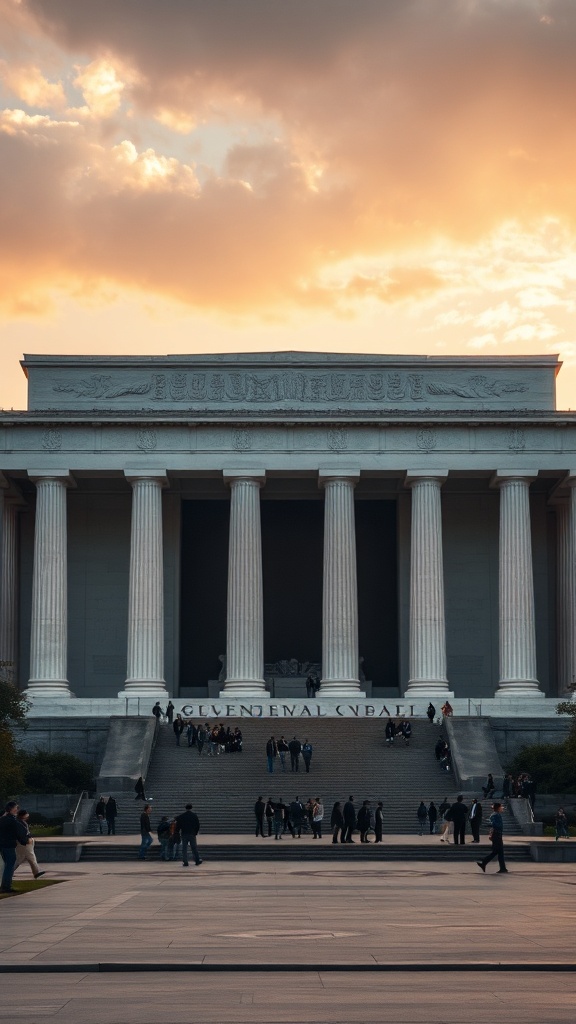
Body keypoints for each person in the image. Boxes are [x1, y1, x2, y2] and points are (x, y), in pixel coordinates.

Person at [0, 802, 28, 894]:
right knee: (10, 865)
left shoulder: (3, 819)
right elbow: (21, 831)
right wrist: (24, 841)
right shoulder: (12, 820)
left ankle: (5, 885)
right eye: (16, 808)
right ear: (12, 809)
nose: (17, 809)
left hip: (3, 845)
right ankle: (6, 886)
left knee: (8, 865)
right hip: (9, 845)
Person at [14, 809, 45, 880]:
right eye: (26, 814)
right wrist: (26, 840)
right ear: (23, 815)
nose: (28, 815)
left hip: (26, 844)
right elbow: (22, 834)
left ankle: (36, 872)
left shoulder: (21, 822)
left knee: (30, 858)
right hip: (24, 844)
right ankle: (7, 872)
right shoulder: (19, 823)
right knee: (20, 859)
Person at [477, 802, 508, 874]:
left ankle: (502, 868)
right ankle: (484, 862)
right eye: (501, 807)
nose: (502, 808)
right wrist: (498, 828)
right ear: (498, 808)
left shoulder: (496, 815)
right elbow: (494, 824)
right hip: (496, 835)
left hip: (497, 834)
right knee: (496, 851)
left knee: (500, 852)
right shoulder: (495, 815)